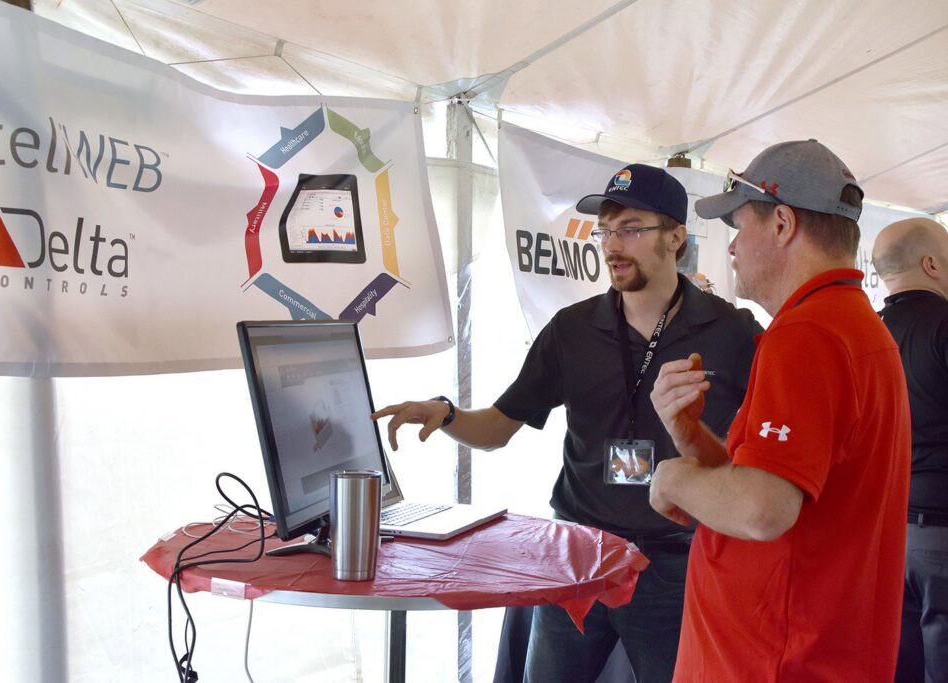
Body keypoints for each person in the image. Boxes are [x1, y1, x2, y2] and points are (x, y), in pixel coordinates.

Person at [372, 163, 761, 683]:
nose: (612, 245)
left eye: (631, 229)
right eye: (605, 230)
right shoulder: (573, 329)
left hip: (678, 563)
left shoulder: (732, 331)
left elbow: (762, 450)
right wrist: (445, 414)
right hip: (580, 553)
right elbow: (499, 426)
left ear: (676, 237)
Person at [649, 139, 911, 681]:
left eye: (739, 227)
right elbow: (784, 485)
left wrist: (672, 478)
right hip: (816, 650)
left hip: (775, 659)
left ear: (783, 224)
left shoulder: (807, 333)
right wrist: (691, 437)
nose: (731, 247)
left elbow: (763, 510)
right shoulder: (855, 324)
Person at [872, 217, 948, 683]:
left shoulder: (863, 333)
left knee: (896, 664)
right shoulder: (943, 325)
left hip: (881, 535)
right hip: (941, 529)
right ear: (931, 263)